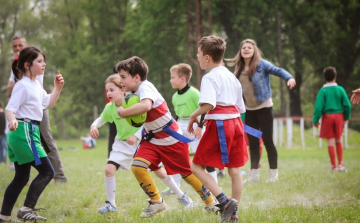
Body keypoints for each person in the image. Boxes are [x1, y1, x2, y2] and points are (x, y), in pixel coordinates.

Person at [116, 56, 215, 218]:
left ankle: (210, 202)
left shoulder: (146, 87)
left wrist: (124, 112)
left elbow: (146, 106)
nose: (121, 81)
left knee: (187, 174)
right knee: (137, 167)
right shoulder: (132, 92)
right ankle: (157, 202)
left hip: (171, 140)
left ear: (137, 77)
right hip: (153, 139)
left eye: (123, 77)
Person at [90, 74, 194, 214]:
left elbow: (147, 123)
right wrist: (94, 126)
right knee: (109, 169)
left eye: (111, 90)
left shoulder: (135, 102)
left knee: (160, 172)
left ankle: (181, 196)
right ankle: (111, 205)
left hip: (141, 142)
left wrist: (136, 135)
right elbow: (101, 119)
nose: (108, 93)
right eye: (107, 90)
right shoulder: (110, 107)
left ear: (122, 90)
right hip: (122, 144)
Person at [0, 46, 64, 222]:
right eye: (40, 61)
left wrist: (57, 88)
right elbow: (10, 109)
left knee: (21, 177)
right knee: (47, 171)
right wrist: (12, 120)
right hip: (23, 131)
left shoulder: (35, 84)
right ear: (28, 64)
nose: (44, 64)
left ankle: (4, 216)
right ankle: (27, 209)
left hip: (30, 131)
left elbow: (47, 103)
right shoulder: (22, 85)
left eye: (44, 61)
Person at [188, 36, 248, 223]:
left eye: (198, 54)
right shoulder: (232, 77)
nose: (196, 57)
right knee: (234, 170)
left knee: (196, 166)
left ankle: (223, 201)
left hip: (220, 125)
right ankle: (233, 214)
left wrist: (193, 116)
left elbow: (208, 104)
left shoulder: (209, 77)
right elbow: (240, 108)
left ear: (207, 57)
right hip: (236, 124)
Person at [226, 38, 296, 183]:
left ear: (254, 50)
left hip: (264, 109)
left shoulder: (261, 65)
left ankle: (273, 174)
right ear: (240, 51)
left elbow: (278, 70)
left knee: (268, 141)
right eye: (244, 47)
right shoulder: (238, 69)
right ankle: (254, 175)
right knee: (253, 142)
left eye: (249, 48)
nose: (246, 49)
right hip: (250, 112)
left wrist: (289, 78)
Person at [7, 36, 67, 184]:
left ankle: (58, 176)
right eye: (15, 46)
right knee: (35, 169)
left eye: (20, 45)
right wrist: (12, 115)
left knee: (45, 139)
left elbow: (46, 101)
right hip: (23, 117)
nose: (17, 48)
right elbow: (11, 87)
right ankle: (25, 180)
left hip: (36, 109)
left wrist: (57, 89)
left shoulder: (33, 63)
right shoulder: (21, 72)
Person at [162, 63, 218, 195]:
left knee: (205, 157)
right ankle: (174, 187)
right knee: (176, 156)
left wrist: (199, 127)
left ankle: (213, 185)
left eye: (173, 77)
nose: (170, 80)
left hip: (196, 125)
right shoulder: (175, 96)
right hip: (181, 125)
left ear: (182, 79)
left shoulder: (194, 93)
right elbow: (177, 114)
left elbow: (206, 107)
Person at [312, 67, 351, 172]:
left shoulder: (323, 91)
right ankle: (341, 165)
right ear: (335, 77)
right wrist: (346, 117)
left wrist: (315, 120)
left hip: (327, 117)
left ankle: (333, 166)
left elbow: (318, 107)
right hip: (339, 117)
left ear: (324, 78)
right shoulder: (340, 89)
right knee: (339, 139)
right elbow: (347, 105)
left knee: (330, 141)